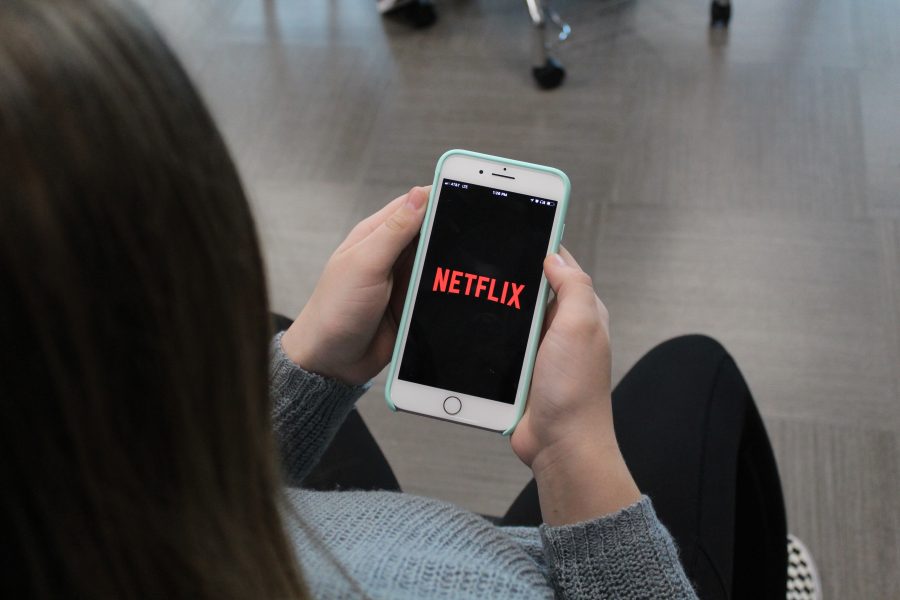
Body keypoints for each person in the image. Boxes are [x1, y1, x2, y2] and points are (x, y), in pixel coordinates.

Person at [1, 0, 817, 598]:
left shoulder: (82, 511)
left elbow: (165, 483)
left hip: (295, 525)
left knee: (286, 334)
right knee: (696, 373)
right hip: (519, 564)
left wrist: (309, 365)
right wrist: (574, 451)